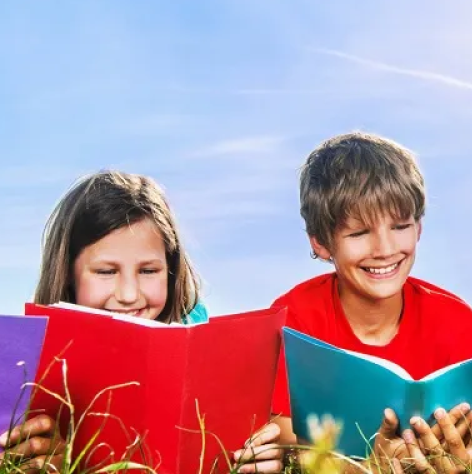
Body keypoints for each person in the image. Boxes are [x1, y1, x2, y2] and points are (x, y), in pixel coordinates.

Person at [239, 132, 472, 473]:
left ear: (419, 228)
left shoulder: (456, 319)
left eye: (400, 226)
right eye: (359, 233)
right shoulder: (294, 316)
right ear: (321, 243)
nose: (385, 249)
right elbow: (282, 434)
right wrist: (362, 468)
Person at [2, 171, 278, 473]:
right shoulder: (26, 358)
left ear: (171, 271)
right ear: (68, 273)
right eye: (106, 272)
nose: (129, 295)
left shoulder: (199, 338)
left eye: (148, 271)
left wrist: (261, 454)